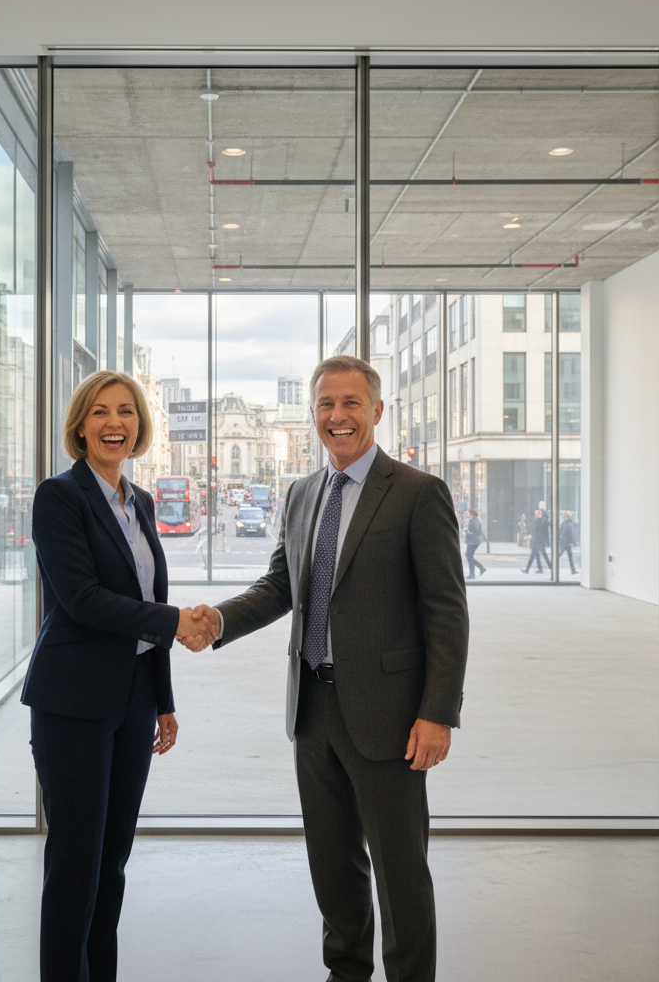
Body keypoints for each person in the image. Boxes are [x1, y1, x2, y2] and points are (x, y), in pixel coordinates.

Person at [179, 355, 469, 982]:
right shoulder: (302, 492)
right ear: (313, 413)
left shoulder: (418, 493)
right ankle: (345, 973)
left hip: (390, 717)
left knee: (400, 872)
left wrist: (437, 713)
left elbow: (446, 612)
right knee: (333, 867)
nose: (338, 416)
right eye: (326, 404)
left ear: (377, 410)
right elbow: (281, 585)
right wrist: (218, 621)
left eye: (351, 403)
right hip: (312, 709)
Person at [20, 370, 216, 982]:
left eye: (126, 411)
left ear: (140, 424)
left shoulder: (142, 502)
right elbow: (81, 599)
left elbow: (144, 597)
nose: (114, 423)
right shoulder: (59, 497)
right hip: (72, 703)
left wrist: (163, 699)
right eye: (100, 411)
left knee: (112, 864)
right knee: (75, 865)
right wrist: (177, 621)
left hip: (134, 700)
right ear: (80, 426)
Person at [522, 508, 551, 575]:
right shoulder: (536, 521)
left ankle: (528, 569)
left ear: (540, 514)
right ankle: (543, 568)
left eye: (537, 514)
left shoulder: (542, 522)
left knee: (534, 555)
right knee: (540, 555)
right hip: (537, 542)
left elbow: (545, 533)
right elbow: (533, 531)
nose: (535, 515)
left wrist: (547, 543)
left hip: (539, 542)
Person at [464, 507, 486, 578]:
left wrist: (470, 532)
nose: (468, 515)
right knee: (469, 555)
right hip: (473, 541)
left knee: (469, 555)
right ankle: (480, 568)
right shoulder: (474, 520)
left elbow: (476, 530)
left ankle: (473, 573)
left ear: (471, 514)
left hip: (473, 541)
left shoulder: (474, 520)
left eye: (468, 513)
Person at [560, 510, 578, 575]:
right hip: (565, 542)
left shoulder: (569, 522)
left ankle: (573, 570)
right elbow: (566, 533)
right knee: (560, 554)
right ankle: (573, 570)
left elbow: (572, 533)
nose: (569, 516)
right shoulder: (566, 523)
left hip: (567, 542)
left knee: (569, 556)